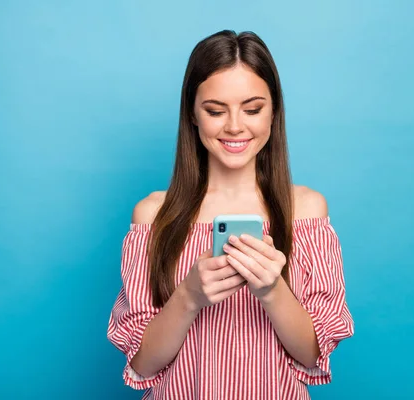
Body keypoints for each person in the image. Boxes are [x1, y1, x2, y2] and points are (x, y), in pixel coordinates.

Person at [107, 29, 354, 400]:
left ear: (274, 112)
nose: (235, 126)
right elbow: (143, 365)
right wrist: (189, 295)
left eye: (252, 109)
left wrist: (272, 290)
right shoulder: (154, 216)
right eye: (215, 110)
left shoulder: (305, 211)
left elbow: (313, 354)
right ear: (192, 113)